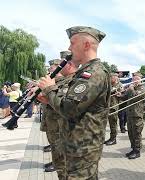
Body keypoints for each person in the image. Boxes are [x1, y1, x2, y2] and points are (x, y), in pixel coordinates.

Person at [38, 26, 111, 179]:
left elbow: (69, 109)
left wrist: (50, 89)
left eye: (72, 43)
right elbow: (70, 104)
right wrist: (50, 100)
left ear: (86, 45)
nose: (69, 48)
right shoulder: (84, 72)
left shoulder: (93, 73)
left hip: (83, 148)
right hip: (75, 145)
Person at [37, 56, 79, 179]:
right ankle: (58, 165)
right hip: (54, 121)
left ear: (69, 64)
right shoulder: (62, 80)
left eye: (61, 64)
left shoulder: (74, 79)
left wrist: (48, 93)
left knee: (62, 156)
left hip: (62, 123)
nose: (53, 70)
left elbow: (64, 103)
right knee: (57, 151)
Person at [123, 72, 145, 159]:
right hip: (129, 113)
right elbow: (125, 97)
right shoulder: (131, 88)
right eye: (133, 79)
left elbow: (136, 96)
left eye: (136, 79)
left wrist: (131, 89)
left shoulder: (142, 88)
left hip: (137, 114)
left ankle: (137, 151)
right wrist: (120, 94)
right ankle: (133, 149)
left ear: (140, 80)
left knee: (136, 133)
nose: (133, 81)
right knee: (131, 133)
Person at [104, 73, 123, 145]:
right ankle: (111, 138)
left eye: (111, 77)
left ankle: (113, 139)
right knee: (110, 123)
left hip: (114, 106)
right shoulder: (110, 85)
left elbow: (121, 94)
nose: (109, 79)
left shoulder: (119, 85)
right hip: (108, 105)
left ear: (115, 78)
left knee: (113, 124)